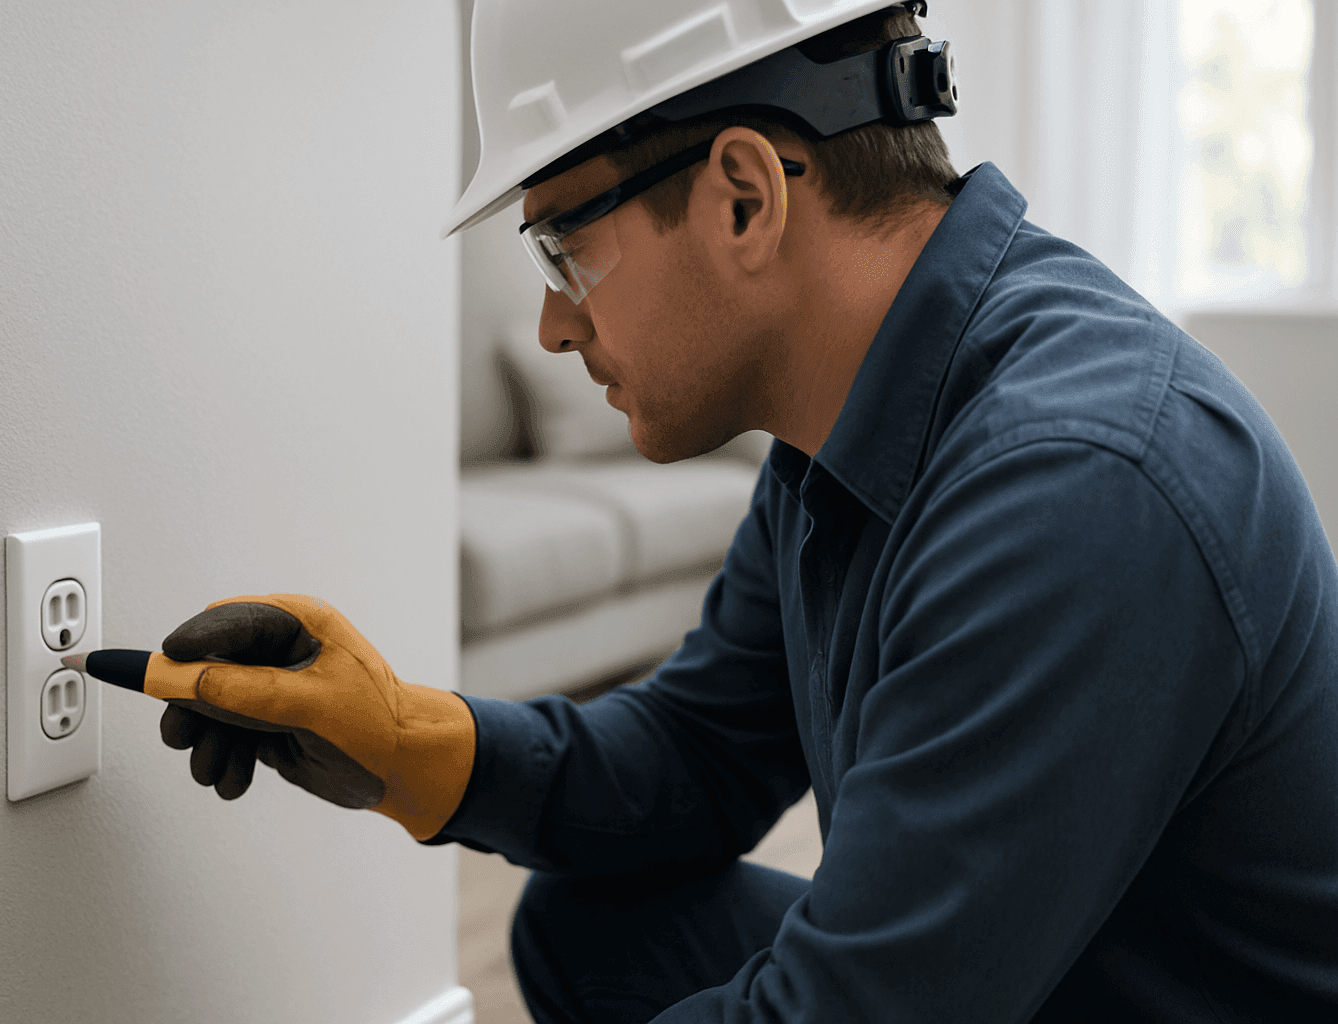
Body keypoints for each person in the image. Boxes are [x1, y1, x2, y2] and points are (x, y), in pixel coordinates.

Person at [153, 2, 1338, 1020]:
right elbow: (699, 756)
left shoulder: (1077, 487)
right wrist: (403, 739)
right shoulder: (852, 419)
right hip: (1052, 970)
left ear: (741, 197)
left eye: (565, 249)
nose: (551, 326)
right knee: (587, 926)